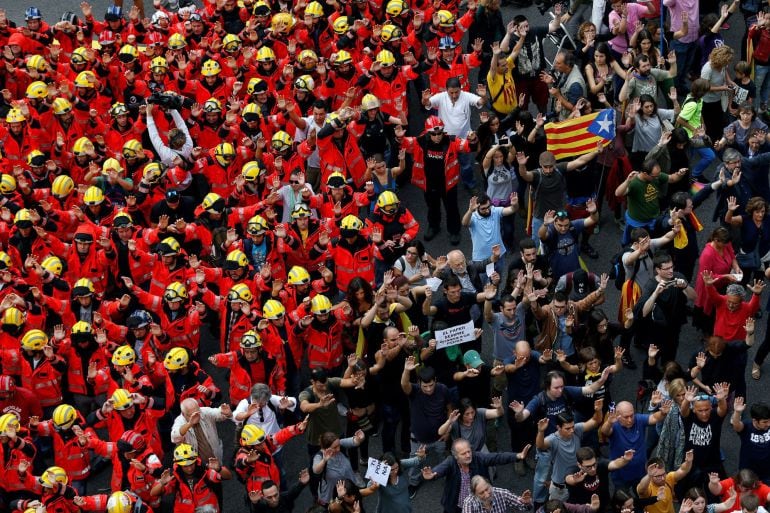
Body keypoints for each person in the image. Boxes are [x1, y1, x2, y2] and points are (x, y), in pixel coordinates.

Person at [421, 437, 530, 513]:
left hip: (479, 504)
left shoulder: (478, 458)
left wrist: (517, 456)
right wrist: (432, 475)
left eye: (469, 451)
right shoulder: (451, 462)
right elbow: (440, 469)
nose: (468, 455)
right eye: (463, 453)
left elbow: (497, 457)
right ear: (455, 456)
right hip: (456, 505)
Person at [517, 149, 599, 250]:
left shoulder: (560, 169)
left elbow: (580, 161)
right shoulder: (536, 175)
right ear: (540, 164)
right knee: (538, 247)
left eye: (550, 167)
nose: (548, 170)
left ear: (555, 164)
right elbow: (524, 175)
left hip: (559, 218)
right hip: (541, 219)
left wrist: (596, 152)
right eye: (545, 167)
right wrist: (521, 165)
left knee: (558, 245)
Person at [422, 77, 487, 191]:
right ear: (446, 90)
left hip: (463, 140)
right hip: (445, 140)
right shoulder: (441, 97)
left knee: (466, 165)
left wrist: (483, 96)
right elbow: (427, 104)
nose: (454, 95)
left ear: (460, 89)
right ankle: (445, 186)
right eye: (451, 92)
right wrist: (425, 99)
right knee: (443, 165)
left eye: (457, 92)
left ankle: (470, 185)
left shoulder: (466, 96)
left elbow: (480, 102)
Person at [401, 360, 452, 496]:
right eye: (425, 386)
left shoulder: (443, 390)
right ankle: (413, 482)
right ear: (419, 383)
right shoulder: (415, 391)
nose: (428, 389)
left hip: (439, 438)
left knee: (442, 457)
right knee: (415, 463)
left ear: (435, 380)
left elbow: (449, 409)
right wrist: (406, 370)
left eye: (431, 385)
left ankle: (444, 474)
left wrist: (448, 429)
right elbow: (404, 384)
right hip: (418, 439)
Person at [600, 398, 673, 490]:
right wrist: (609, 422)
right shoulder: (614, 425)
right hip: (621, 475)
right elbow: (605, 431)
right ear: (618, 415)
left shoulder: (638, 419)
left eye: (631, 415)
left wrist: (663, 413)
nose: (630, 420)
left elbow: (654, 418)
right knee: (624, 500)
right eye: (626, 417)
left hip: (640, 471)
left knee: (642, 497)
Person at [536, 402, 603, 501]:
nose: (572, 430)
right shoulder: (553, 439)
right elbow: (540, 445)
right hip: (561, 488)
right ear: (558, 428)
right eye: (567, 428)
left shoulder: (576, 429)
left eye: (572, 426)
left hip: (578, 481)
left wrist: (598, 410)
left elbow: (595, 421)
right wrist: (541, 431)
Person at [679, 383, 730, 490]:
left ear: (711, 407)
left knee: (721, 489)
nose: (704, 414)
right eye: (700, 411)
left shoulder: (715, 416)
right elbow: (683, 411)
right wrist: (687, 400)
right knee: (691, 491)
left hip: (712, 460)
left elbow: (723, 410)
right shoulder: (690, 417)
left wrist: (721, 399)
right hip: (692, 461)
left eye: (707, 409)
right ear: (694, 410)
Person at [538, 202, 599, 280]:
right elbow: (541, 235)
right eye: (560, 225)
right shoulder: (550, 231)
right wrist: (545, 224)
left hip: (575, 272)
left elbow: (593, 219)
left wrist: (594, 211)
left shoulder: (573, 226)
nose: (563, 228)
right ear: (554, 222)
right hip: (556, 275)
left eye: (566, 225)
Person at [171, 397, 233, 463]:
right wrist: (190, 423)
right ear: (183, 414)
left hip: (215, 456)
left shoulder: (204, 411)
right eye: (191, 415)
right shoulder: (179, 421)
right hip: (196, 463)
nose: (196, 417)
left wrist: (226, 413)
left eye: (197, 413)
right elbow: (175, 437)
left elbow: (218, 413)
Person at [731, 399, 770, 485]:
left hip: (767, 472)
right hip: (749, 472)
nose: (768, 424)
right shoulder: (747, 426)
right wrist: (737, 412)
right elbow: (736, 426)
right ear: (755, 421)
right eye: (765, 422)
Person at [461, 475, 532, 513]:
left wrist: (527, 503)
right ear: (474, 495)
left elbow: (524, 507)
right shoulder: (469, 503)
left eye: (487, 489)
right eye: (481, 493)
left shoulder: (501, 493)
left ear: (489, 484)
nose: (487, 495)